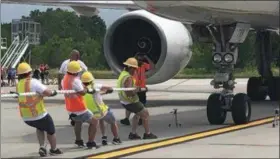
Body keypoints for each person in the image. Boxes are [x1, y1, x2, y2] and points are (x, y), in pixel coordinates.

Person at [16, 62, 62, 157]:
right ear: (29, 72)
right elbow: (47, 92)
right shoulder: (33, 82)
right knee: (51, 130)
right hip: (38, 114)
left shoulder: (18, 84)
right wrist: (53, 93)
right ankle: (54, 149)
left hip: (26, 117)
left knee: (40, 127)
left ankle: (42, 147)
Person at [117, 57, 157, 140]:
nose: (135, 70)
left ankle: (133, 133)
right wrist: (138, 90)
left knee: (137, 115)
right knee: (145, 114)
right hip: (131, 101)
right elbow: (129, 92)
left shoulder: (123, 74)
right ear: (131, 68)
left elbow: (128, 88)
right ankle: (147, 134)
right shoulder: (128, 78)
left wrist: (138, 88)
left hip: (124, 101)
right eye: (134, 69)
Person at [61, 61, 98, 148]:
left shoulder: (64, 79)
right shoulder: (76, 80)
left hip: (70, 108)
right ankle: (91, 142)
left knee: (78, 122)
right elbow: (82, 92)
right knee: (95, 122)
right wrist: (85, 88)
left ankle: (78, 140)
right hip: (79, 108)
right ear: (76, 72)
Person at [81, 71, 122, 145]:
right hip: (101, 111)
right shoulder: (95, 86)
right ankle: (116, 138)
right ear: (91, 80)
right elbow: (109, 88)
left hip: (91, 113)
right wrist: (109, 91)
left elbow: (94, 95)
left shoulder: (81, 89)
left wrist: (103, 93)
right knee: (113, 121)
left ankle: (102, 137)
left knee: (98, 122)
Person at [120, 53, 154, 126]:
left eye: (141, 56)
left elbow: (152, 67)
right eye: (138, 56)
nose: (140, 58)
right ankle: (127, 118)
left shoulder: (143, 65)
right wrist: (134, 58)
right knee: (131, 102)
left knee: (141, 103)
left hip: (141, 88)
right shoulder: (132, 66)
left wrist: (147, 57)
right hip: (133, 87)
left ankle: (141, 118)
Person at [58, 49, 88, 126]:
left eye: (79, 56)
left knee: (78, 100)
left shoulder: (81, 63)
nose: (78, 57)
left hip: (78, 85)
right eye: (76, 55)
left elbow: (86, 72)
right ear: (71, 56)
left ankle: (76, 117)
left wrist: (85, 81)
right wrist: (59, 85)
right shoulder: (65, 63)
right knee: (70, 101)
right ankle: (73, 116)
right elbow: (60, 74)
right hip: (67, 86)